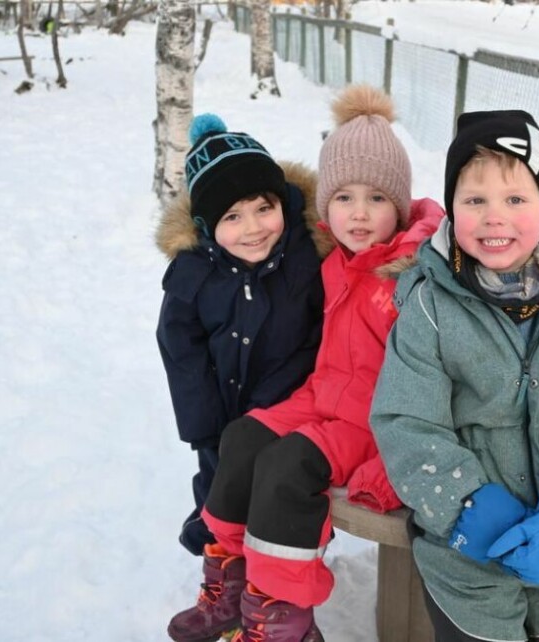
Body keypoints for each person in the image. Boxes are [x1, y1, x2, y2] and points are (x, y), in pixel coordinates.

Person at [166, 85, 443, 642]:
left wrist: (396, 464)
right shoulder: (333, 259)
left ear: (400, 203)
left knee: (286, 467)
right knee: (244, 437)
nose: (358, 213)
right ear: (322, 207)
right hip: (324, 398)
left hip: (376, 421)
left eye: (376, 198)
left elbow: (441, 381)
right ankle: (233, 581)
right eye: (343, 197)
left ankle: (282, 618)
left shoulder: (414, 275)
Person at [370, 109, 539, 642]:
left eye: (516, 200)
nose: (494, 218)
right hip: (470, 563)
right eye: (475, 201)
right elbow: (407, 421)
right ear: (452, 208)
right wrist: (468, 507)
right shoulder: (430, 306)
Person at [156, 115, 323, 558]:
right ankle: (222, 559)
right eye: (232, 216)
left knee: (275, 490)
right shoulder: (193, 272)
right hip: (219, 409)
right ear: (206, 224)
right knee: (218, 487)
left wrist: (277, 399)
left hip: (286, 406)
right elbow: (179, 347)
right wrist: (203, 424)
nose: (253, 228)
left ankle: (273, 567)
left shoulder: (306, 257)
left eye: (264, 208)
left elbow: (319, 333)